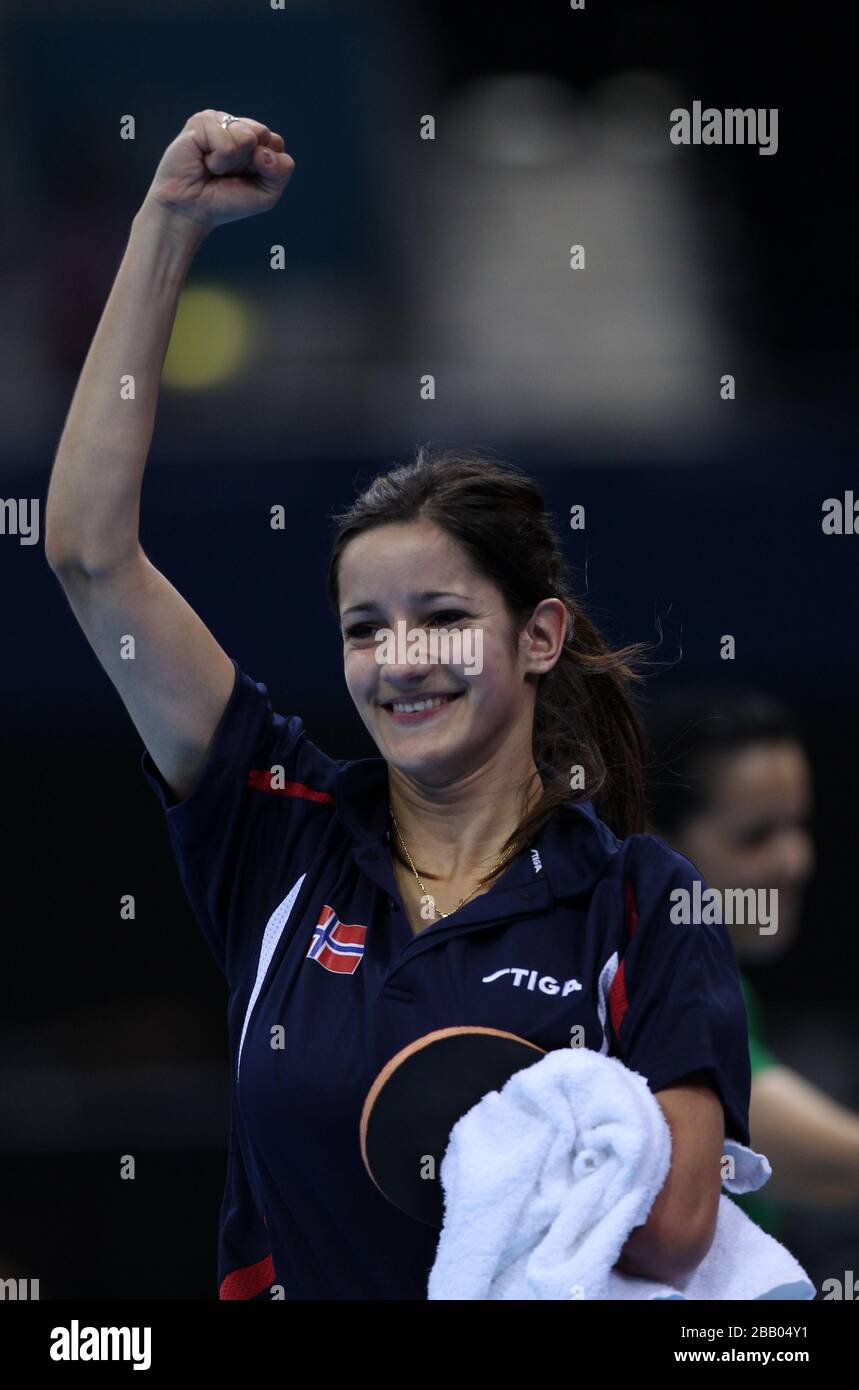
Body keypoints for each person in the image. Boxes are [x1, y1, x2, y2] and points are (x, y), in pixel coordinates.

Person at [45, 109, 752, 1300]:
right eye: (365, 627)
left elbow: (680, 1227)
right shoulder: (278, 828)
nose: (399, 658)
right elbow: (87, 555)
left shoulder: (639, 903)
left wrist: (499, 1160)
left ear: (537, 637)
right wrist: (165, 227)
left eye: (440, 616)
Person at [645, 689, 859, 1236]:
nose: (796, 861)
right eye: (757, 835)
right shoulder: (659, 977)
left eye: (798, 826)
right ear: (656, 844)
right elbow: (829, 1168)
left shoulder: (723, 981)